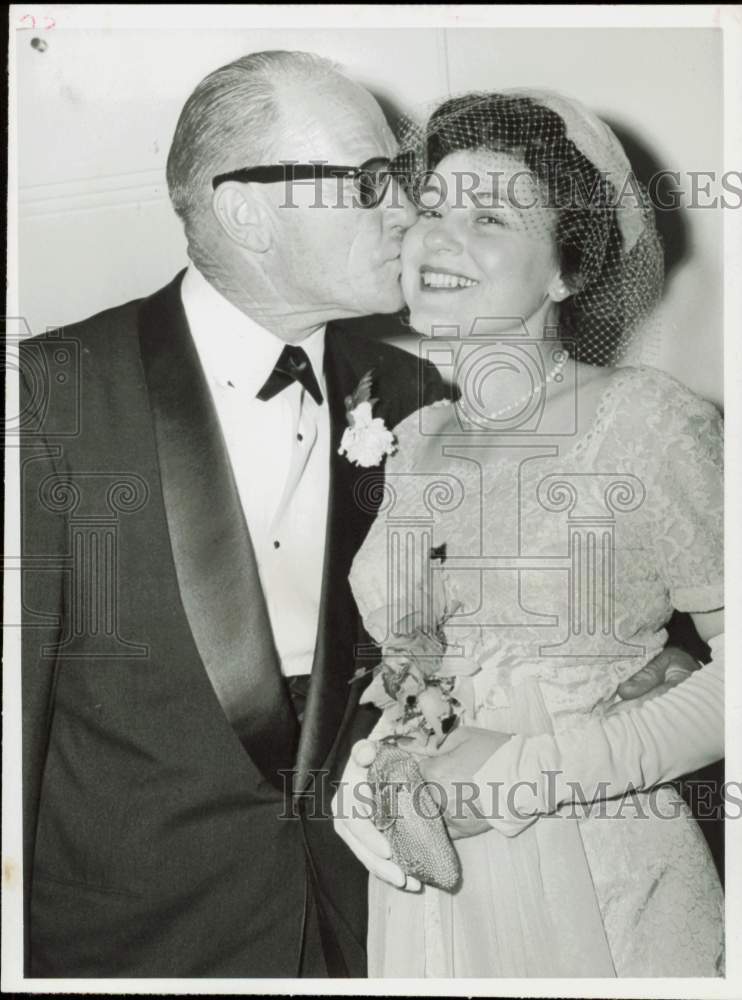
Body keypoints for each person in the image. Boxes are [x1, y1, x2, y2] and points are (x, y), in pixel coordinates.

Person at [19, 50, 452, 977]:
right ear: (245, 209)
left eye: (403, 179)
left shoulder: (418, 397)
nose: (407, 211)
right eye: (370, 180)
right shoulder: (51, 401)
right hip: (137, 945)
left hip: (373, 925)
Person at [335, 91, 724, 977]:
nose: (439, 238)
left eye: (489, 216)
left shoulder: (644, 421)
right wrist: (371, 774)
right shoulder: (412, 443)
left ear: (566, 271)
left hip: (602, 880)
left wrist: (537, 772)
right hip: (431, 898)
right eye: (430, 208)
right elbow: (414, 669)